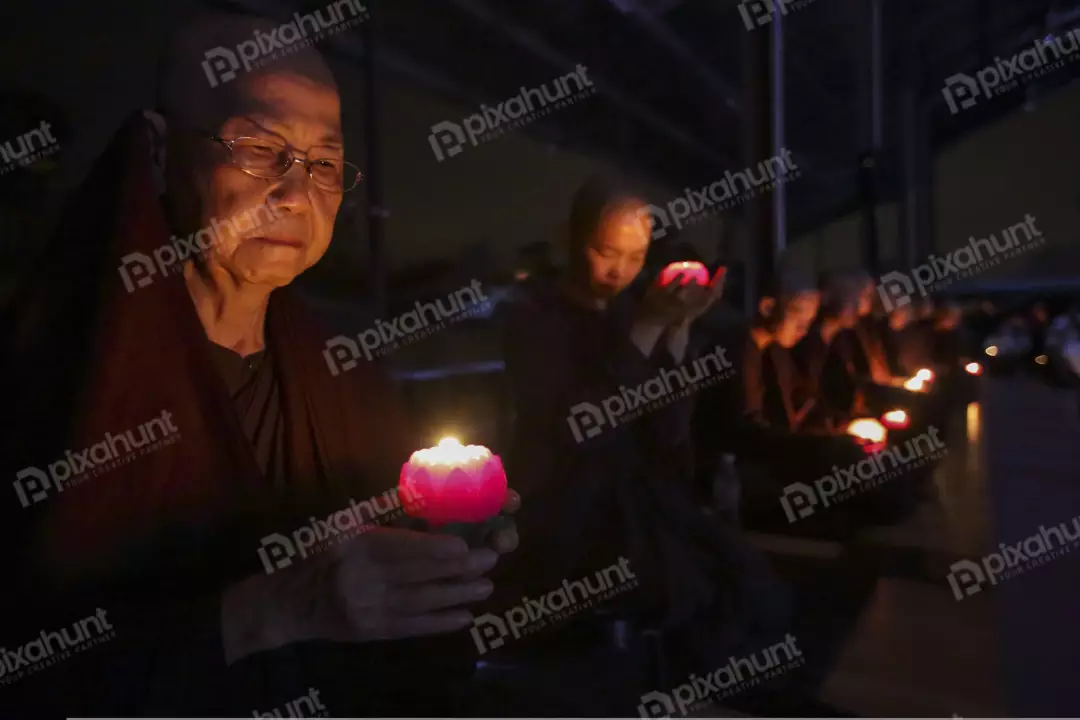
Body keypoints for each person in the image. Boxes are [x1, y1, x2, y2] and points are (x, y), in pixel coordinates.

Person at [0, 10, 517, 718]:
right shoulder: (45, 377)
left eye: (325, 164)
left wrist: (444, 556)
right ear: (157, 152)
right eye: (256, 146)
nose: (297, 193)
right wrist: (268, 610)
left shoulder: (344, 381)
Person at [494, 177, 829, 716]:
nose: (618, 272)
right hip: (574, 507)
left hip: (645, 498)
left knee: (754, 595)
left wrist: (676, 334)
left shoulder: (630, 314)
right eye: (605, 251)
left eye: (635, 257)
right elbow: (583, 428)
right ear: (573, 238)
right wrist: (648, 328)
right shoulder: (533, 317)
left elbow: (668, 434)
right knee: (695, 601)